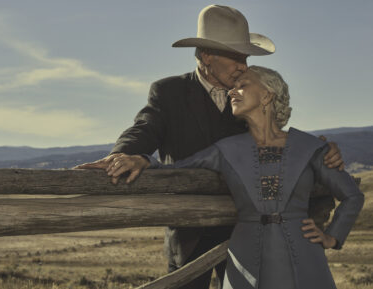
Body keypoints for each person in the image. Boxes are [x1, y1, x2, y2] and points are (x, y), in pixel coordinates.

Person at [75, 5, 344, 288]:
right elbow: (145, 127)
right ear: (206, 55)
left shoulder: (247, 95)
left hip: (247, 231)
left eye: (246, 57)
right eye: (235, 56)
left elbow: (273, 136)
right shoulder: (169, 92)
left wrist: (318, 151)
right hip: (189, 231)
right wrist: (126, 153)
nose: (243, 65)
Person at [101, 66, 365, 289]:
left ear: (266, 96)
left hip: (304, 253)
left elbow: (352, 195)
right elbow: (176, 169)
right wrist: (141, 159)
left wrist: (332, 236)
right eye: (233, 86)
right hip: (245, 254)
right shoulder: (225, 150)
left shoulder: (311, 147)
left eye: (242, 85)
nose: (232, 90)